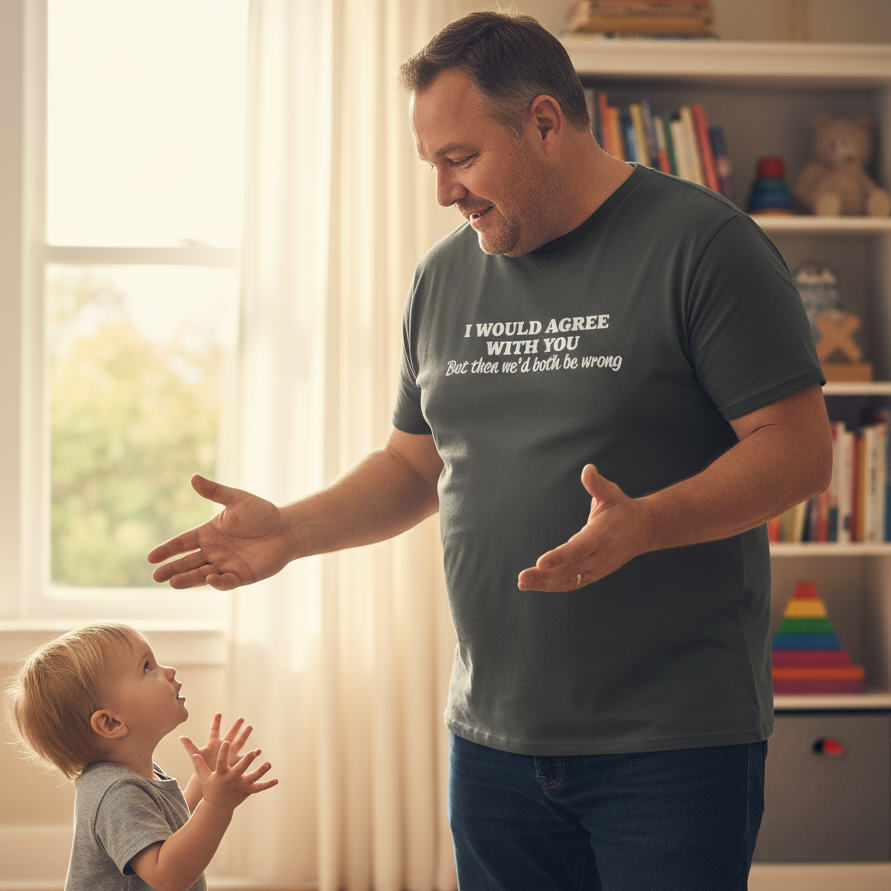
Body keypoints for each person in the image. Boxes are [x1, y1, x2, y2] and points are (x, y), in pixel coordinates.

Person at [147, 11, 833, 890]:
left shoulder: (703, 245)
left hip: (671, 741)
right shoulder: (443, 275)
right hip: (492, 743)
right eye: (429, 162)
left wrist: (648, 523)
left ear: (545, 122)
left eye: (459, 159)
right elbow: (412, 465)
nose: (442, 192)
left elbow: (797, 451)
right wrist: (291, 529)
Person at [3, 622, 277, 891]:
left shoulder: (132, 777)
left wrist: (203, 783)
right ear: (111, 723)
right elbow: (167, 876)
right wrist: (218, 805)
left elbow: (172, 828)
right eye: (148, 667)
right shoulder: (116, 793)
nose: (169, 671)